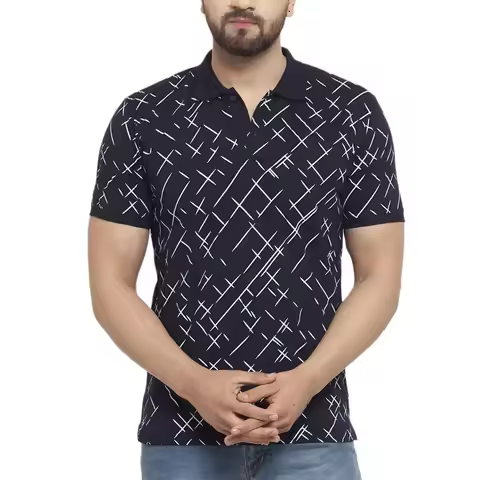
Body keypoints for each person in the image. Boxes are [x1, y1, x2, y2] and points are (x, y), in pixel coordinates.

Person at [87, 1, 405, 478]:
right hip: (180, 439)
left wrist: (307, 381)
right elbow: (109, 285)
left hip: (315, 435)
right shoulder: (144, 118)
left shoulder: (350, 113)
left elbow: (380, 278)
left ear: (291, 3)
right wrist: (194, 385)